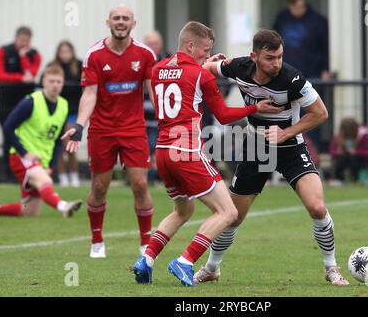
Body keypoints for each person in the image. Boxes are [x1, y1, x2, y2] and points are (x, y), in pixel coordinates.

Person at [131, 21, 282, 287]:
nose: (207, 55)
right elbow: (223, 116)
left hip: (164, 152)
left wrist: (203, 64)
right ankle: (185, 261)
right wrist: (254, 107)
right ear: (191, 45)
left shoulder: (157, 70)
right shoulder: (202, 75)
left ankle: (147, 259)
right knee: (228, 212)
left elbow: (182, 77)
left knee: (183, 209)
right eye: (205, 50)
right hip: (187, 151)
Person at [194, 29, 349, 286]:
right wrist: (209, 63)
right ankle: (211, 268)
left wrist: (286, 133)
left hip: (291, 147)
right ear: (254, 56)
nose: (276, 63)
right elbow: (207, 69)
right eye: (270, 58)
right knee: (232, 215)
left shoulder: (292, 79)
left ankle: (331, 267)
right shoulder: (238, 67)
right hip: (256, 146)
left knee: (317, 207)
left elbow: (320, 113)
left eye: (279, 56)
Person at [62, 5, 158, 258]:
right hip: (102, 130)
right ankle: (96, 241)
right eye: (116, 18)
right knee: (99, 187)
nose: (121, 21)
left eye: (125, 18)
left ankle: (146, 244)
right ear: (108, 22)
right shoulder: (94, 55)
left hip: (134, 129)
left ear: (133, 24)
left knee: (139, 184)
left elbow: (153, 91)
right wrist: (80, 126)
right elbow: (89, 94)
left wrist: (167, 120)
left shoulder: (146, 54)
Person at [0, 65, 81, 217]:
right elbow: (7, 127)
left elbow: (57, 140)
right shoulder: (30, 102)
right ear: (43, 81)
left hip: (41, 161)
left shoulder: (63, 105)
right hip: (21, 157)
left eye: (59, 82)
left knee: (29, 211)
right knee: (45, 181)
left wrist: (50, 165)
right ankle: (63, 206)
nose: (55, 85)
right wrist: (24, 152)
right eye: (52, 81)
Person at [273, 0, 330, 150]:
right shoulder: (282, 18)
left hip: (312, 76)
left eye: (298, 4)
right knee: (285, 113)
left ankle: (313, 153)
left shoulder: (318, 21)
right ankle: (285, 149)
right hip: (285, 75)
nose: (296, 8)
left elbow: (326, 48)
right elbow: (273, 44)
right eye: (292, 5)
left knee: (312, 114)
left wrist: (326, 69)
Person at [0, 26, 42, 182]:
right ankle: (7, 174)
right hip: (6, 104)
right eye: (22, 39)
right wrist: (20, 78)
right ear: (16, 38)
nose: (24, 43)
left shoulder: (34, 54)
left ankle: (25, 172)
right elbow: (0, 75)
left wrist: (23, 57)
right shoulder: (4, 51)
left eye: (27, 40)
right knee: (7, 138)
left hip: (25, 105)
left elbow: (32, 74)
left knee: (24, 138)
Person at [50, 41, 83, 187]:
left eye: (67, 51)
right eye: (62, 51)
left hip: (74, 111)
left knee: (69, 144)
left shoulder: (79, 66)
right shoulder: (53, 67)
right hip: (57, 111)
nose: (65, 54)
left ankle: (74, 176)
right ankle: (63, 177)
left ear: (72, 52)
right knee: (59, 146)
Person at [143, 31, 172, 184]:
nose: (151, 47)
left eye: (154, 44)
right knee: (146, 147)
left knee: (158, 146)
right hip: (141, 115)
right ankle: (147, 177)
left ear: (160, 45)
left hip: (162, 114)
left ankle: (158, 176)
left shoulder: (169, 61)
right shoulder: (139, 60)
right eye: (148, 44)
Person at [329, 117, 368, 183]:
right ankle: (339, 179)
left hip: (359, 161)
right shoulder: (338, 138)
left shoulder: (363, 137)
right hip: (344, 159)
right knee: (341, 159)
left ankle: (357, 178)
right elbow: (332, 152)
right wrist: (339, 152)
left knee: (354, 158)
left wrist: (357, 152)